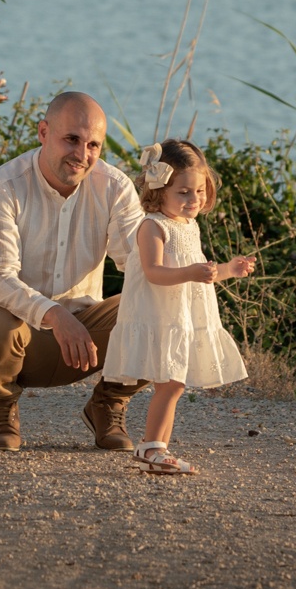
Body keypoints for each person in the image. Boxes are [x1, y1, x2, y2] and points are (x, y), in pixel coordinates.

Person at [0, 91, 149, 451]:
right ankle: (1, 409)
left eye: (94, 145)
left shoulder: (114, 187)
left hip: (87, 337)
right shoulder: (1, 186)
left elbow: (140, 262)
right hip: (18, 338)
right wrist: (53, 314)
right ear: (43, 132)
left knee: (162, 306)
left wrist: (189, 277)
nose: (83, 155)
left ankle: (109, 403)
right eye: (72, 139)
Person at [102, 139, 254, 474]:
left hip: (182, 316)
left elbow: (202, 273)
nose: (194, 200)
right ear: (159, 191)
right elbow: (154, 272)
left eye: (199, 191)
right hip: (159, 317)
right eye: (184, 192)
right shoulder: (152, 227)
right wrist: (189, 272)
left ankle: (156, 447)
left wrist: (230, 269)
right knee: (170, 383)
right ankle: (151, 448)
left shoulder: (190, 225)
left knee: (175, 383)